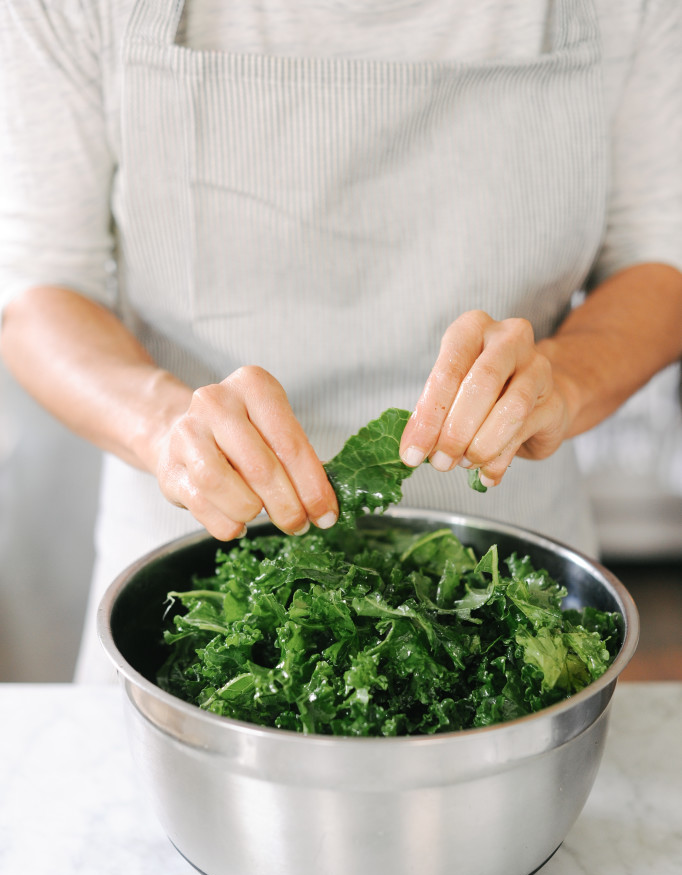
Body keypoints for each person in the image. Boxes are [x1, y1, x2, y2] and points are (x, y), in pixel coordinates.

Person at [1, 0, 681, 684]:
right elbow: (37, 288)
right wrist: (162, 426)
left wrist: (561, 380)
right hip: (196, 575)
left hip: (511, 581)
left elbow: (660, 256)